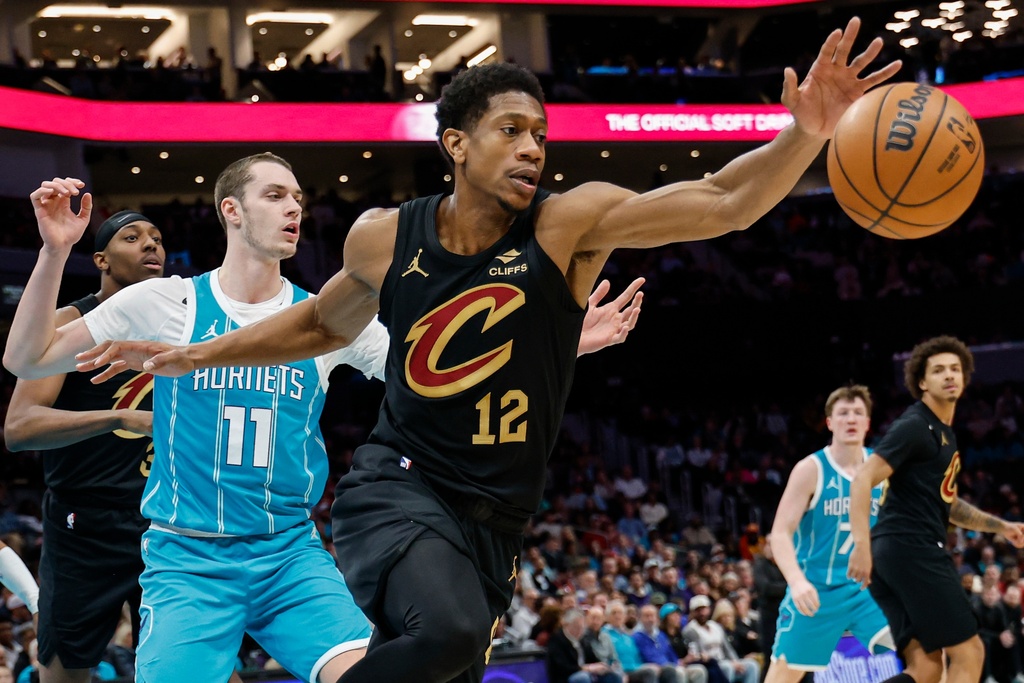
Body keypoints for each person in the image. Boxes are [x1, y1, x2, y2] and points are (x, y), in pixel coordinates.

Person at [67, 20, 900, 683]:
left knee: (456, 658)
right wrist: (198, 356)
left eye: (540, 131)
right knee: (455, 628)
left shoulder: (570, 222)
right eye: (512, 130)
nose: (535, 147)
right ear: (457, 144)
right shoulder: (385, 236)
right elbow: (319, 325)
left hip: (496, 517)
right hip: (397, 491)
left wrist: (807, 137)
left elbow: (720, 201)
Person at [2, 165, 641, 682]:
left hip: (290, 555)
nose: (292, 208)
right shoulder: (167, 301)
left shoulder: (328, 317)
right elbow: (24, 358)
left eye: (298, 198)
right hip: (187, 558)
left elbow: (438, 373)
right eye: (274, 195)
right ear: (231, 210)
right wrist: (55, 250)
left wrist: (557, 342)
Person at [3, 210, 164, 683]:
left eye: (156, 238)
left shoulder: (182, 320)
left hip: (168, 519)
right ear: (101, 260)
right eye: (132, 238)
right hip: (85, 525)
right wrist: (120, 417)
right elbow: (20, 426)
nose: (150, 245)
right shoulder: (69, 323)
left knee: (196, 667)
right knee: (65, 672)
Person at [848, 336, 1024, 683]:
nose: (949, 375)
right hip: (912, 549)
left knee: (925, 670)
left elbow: (949, 504)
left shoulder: (943, 434)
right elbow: (862, 479)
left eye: (955, 369)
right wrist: (861, 547)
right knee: (970, 652)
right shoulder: (915, 425)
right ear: (922, 382)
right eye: (939, 370)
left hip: (895, 555)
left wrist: (1000, 526)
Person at [763, 385, 893, 683]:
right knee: (782, 676)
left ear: (868, 423)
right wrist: (796, 582)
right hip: (816, 593)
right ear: (830, 422)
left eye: (858, 413)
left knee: (925, 651)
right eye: (843, 413)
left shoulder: (883, 470)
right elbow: (780, 533)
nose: (851, 419)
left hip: (868, 593)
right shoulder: (811, 469)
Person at [683, 597, 757, 683]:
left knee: (751, 665)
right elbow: (701, 654)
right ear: (693, 612)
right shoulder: (690, 630)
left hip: (725, 660)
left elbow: (727, 648)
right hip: (712, 664)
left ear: (709, 609)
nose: (702, 613)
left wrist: (735, 661)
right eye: (698, 610)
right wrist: (729, 663)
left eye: (704, 609)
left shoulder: (715, 626)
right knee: (727, 667)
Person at [546, 608, 620, 683]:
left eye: (582, 628)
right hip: (566, 677)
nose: (579, 631)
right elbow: (563, 668)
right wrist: (587, 668)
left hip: (586, 673)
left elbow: (592, 658)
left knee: (612, 676)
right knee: (582, 678)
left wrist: (601, 666)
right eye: (576, 627)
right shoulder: (557, 640)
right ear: (566, 625)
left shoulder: (582, 640)